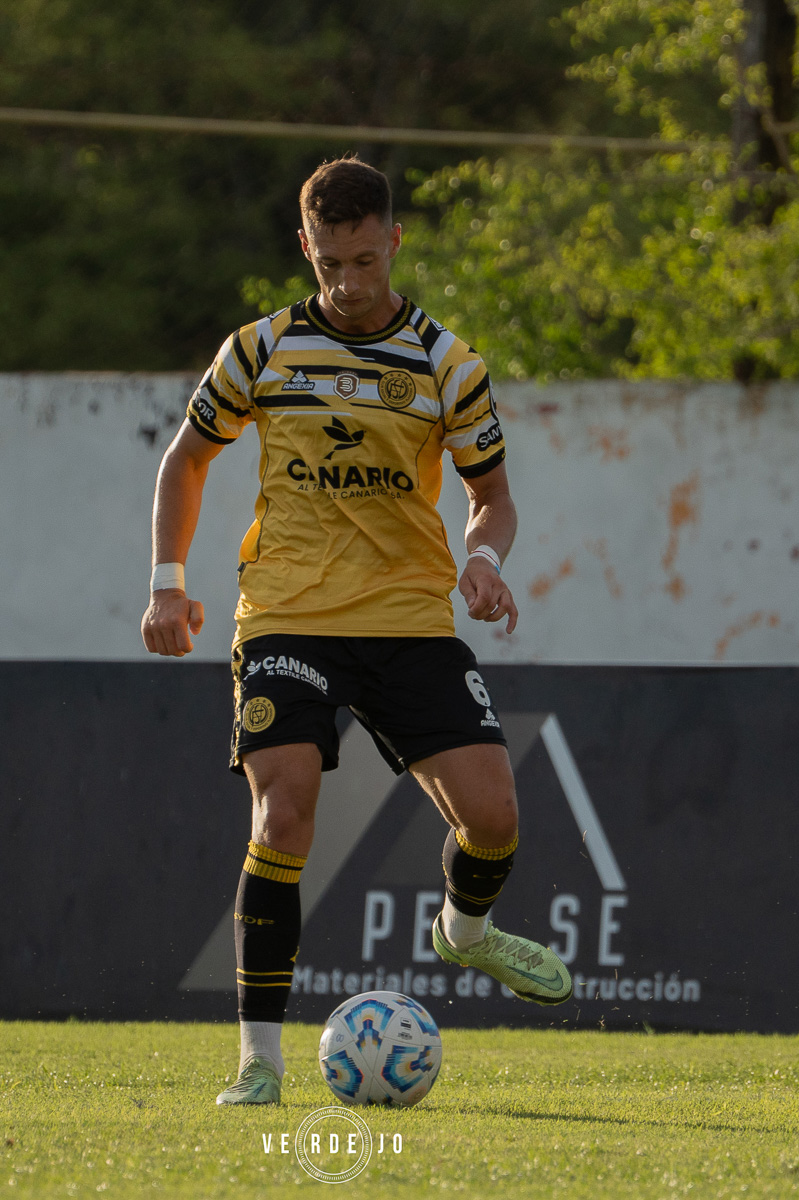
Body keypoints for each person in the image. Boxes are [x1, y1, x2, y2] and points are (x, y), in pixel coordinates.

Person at [141, 156, 571, 1107]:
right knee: (284, 808)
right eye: (331, 262)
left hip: (410, 616)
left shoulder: (447, 363)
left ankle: (463, 934)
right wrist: (169, 585)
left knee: (494, 818)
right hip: (287, 612)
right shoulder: (258, 349)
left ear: (394, 243)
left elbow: (490, 495)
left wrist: (486, 560)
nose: (348, 283)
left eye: (365, 260)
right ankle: (259, 1061)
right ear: (306, 246)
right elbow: (186, 460)